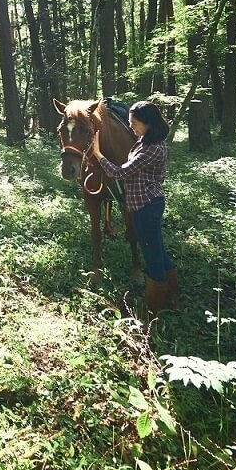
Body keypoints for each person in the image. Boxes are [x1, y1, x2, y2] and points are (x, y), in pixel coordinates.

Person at [89, 101, 178, 313]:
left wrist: (98, 154)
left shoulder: (152, 149)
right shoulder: (144, 142)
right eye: (130, 122)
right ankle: (172, 295)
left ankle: (154, 309)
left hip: (146, 206)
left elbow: (119, 173)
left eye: (134, 123)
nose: (131, 127)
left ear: (149, 123)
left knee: (152, 256)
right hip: (143, 204)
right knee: (158, 250)